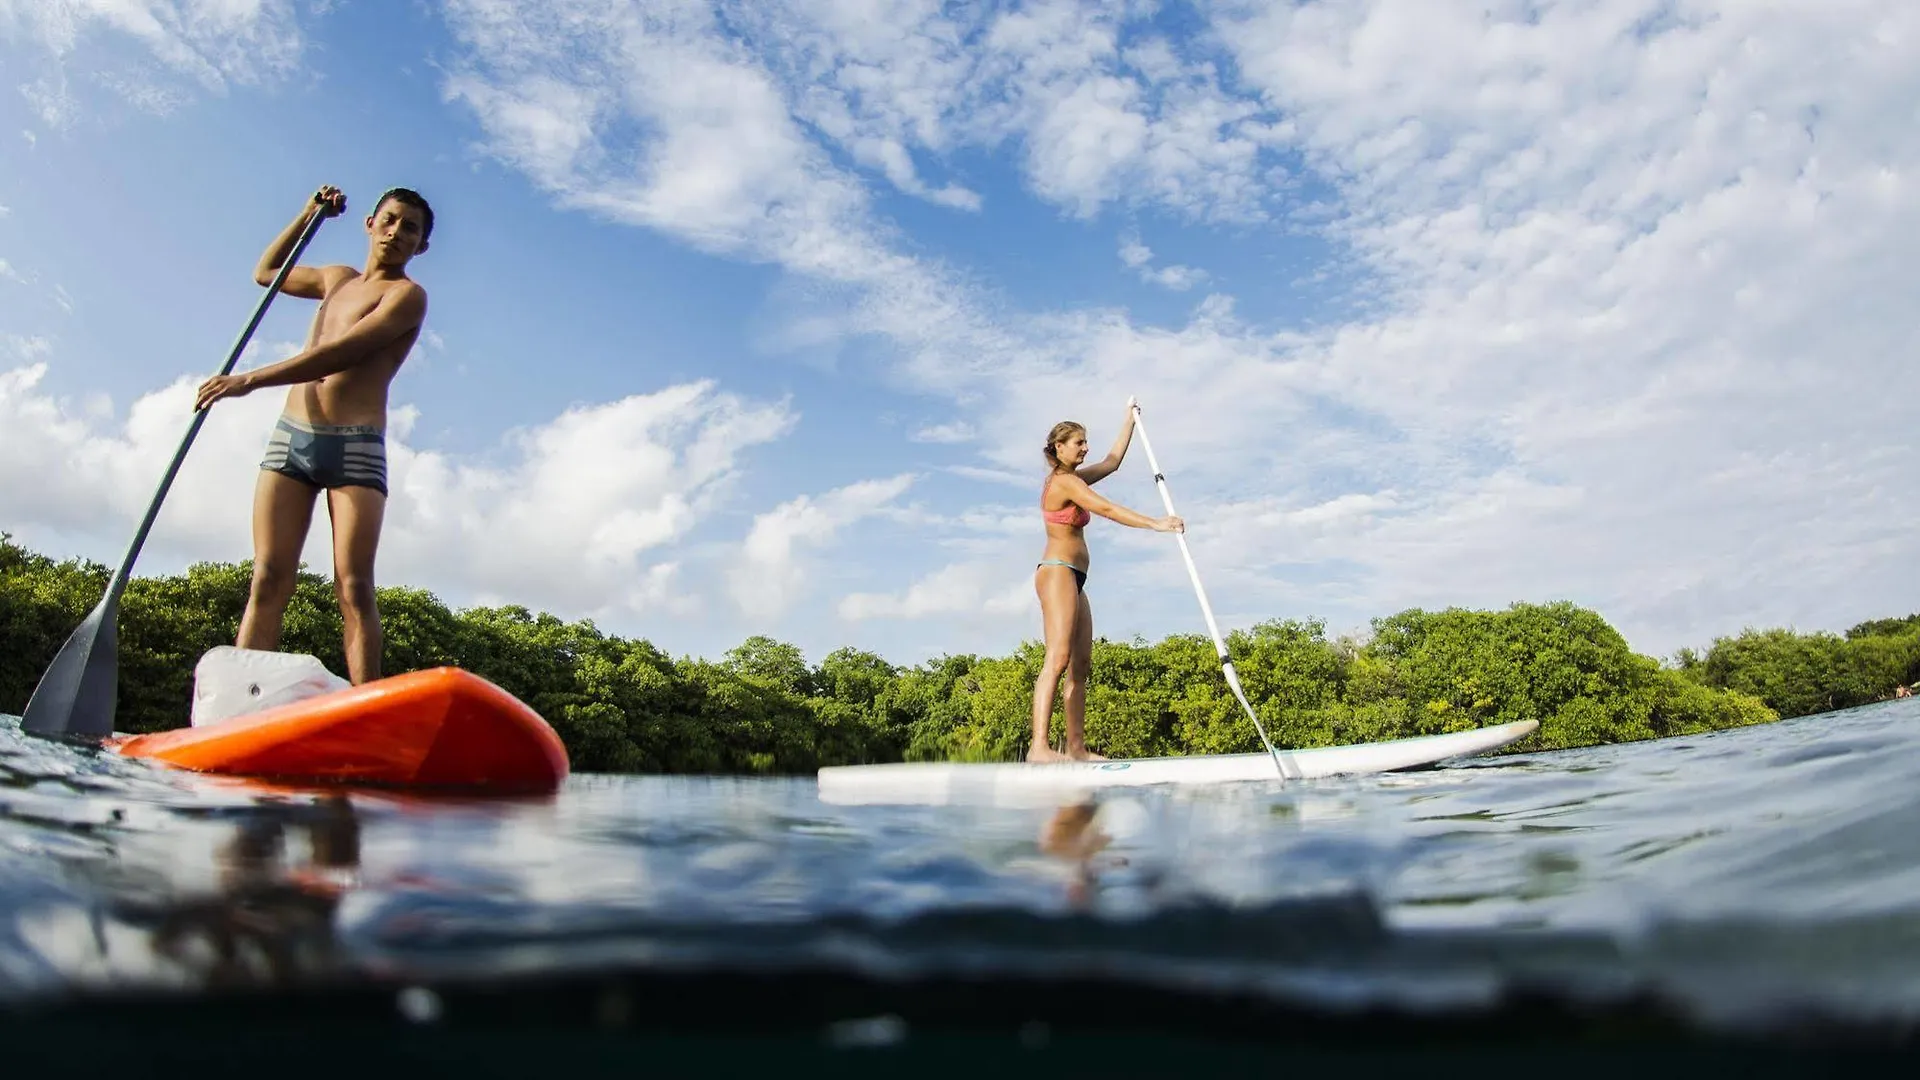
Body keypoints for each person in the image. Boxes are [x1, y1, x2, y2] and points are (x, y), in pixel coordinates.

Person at [194, 184, 433, 685]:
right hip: (292, 439)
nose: (395, 232)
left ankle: (367, 713)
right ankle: (241, 699)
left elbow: (342, 353)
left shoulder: (407, 297)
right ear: (369, 224)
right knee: (268, 577)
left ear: (421, 246)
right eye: (388, 220)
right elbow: (266, 273)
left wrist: (250, 379)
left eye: (409, 228)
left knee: (354, 586)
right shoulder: (335, 279)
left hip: (356, 449)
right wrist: (309, 214)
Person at [1029, 399, 1183, 763]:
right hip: (1056, 571)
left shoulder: (1076, 477)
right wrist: (1157, 523)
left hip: (1075, 578)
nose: (1085, 447)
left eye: (1085, 442)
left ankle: (1077, 749)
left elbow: (1113, 462)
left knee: (1082, 664)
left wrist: (1130, 420)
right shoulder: (1064, 482)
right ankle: (1039, 747)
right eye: (1079, 442)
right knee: (1059, 657)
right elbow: (1107, 509)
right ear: (1059, 448)